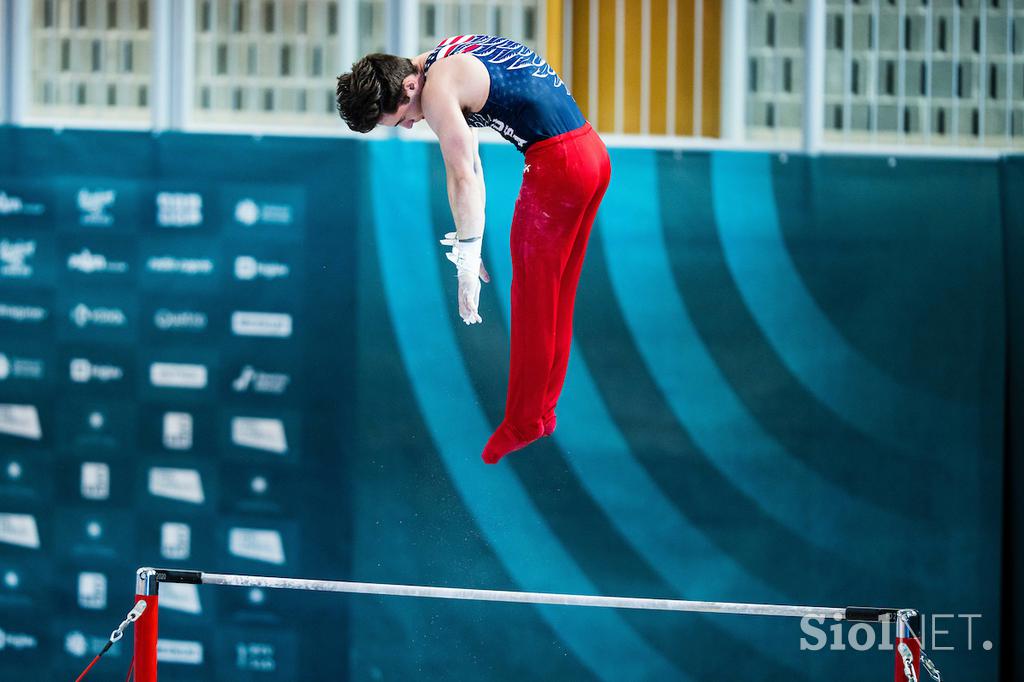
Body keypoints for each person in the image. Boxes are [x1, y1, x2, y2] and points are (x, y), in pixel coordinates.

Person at [336, 35, 611, 464]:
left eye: (403, 119)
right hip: (591, 154)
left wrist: (467, 262)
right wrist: (471, 239)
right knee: (558, 295)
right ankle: (542, 413)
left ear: (410, 87)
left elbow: (463, 173)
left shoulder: (439, 85)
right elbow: (468, 165)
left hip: (559, 165)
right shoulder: (443, 57)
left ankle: (524, 422)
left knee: (533, 301)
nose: (410, 125)